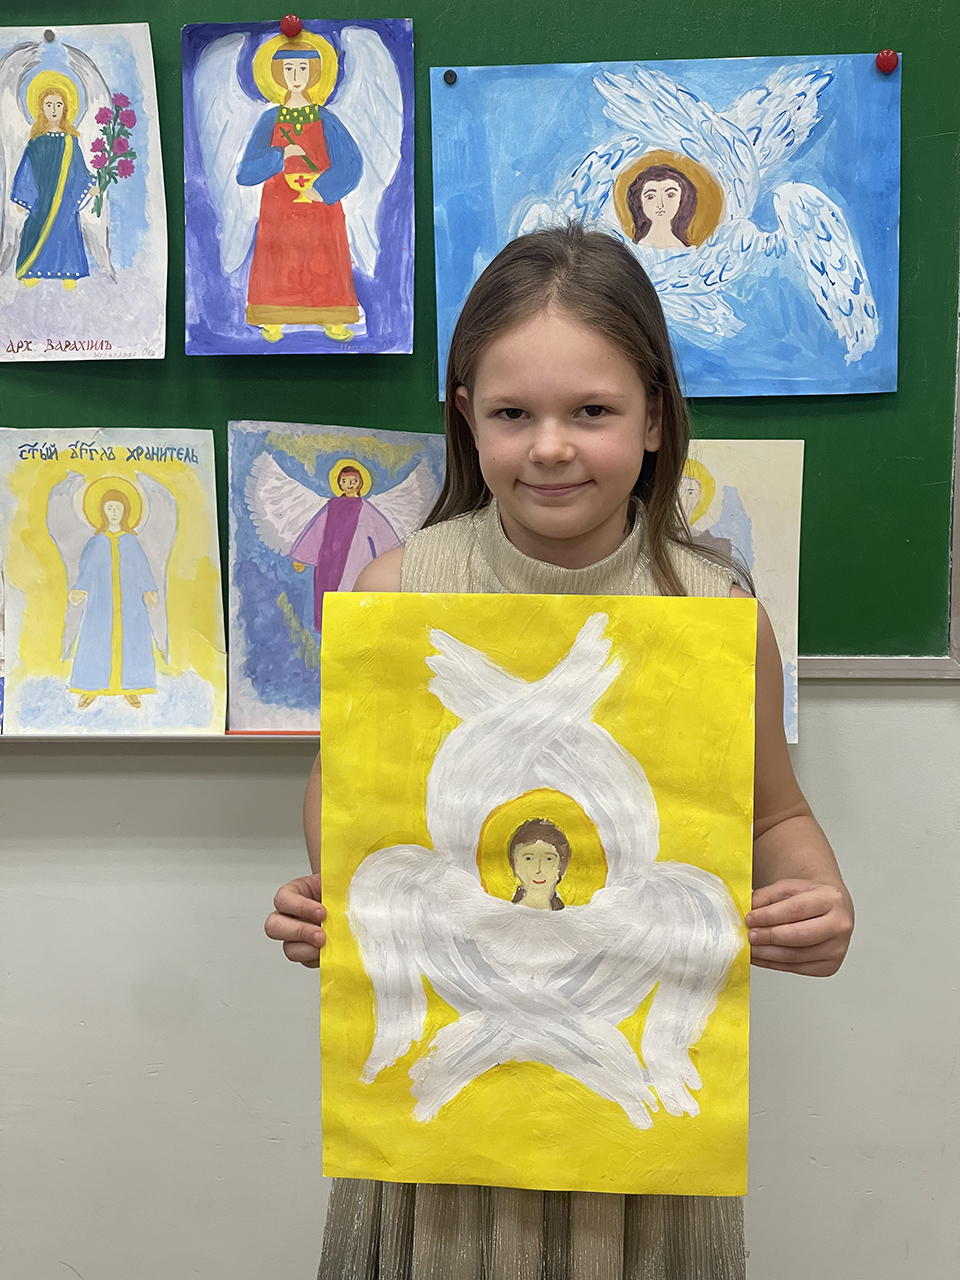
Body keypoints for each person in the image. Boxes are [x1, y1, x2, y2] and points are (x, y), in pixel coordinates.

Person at [265, 224, 854, 1279]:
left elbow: (774, 812)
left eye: (591, 411)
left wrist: (817, 898)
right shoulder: (400, 593)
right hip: (445, 1128)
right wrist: (340, 904)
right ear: (465, 414)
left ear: (655, 416)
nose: (549, 446)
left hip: (627, 1123)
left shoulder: (714, 608)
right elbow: (348, 797)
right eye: (512, 413)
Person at [237, 37, 362, 345]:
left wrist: (321, 190)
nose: (296, 76)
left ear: (314, 72)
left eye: (302, 68)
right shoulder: (270, 119)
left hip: (320, 207)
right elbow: (246, 172)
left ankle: (332, 317)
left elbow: (351, 163)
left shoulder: (325, 119)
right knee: (279, 262)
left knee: (325, 262)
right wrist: (281, 155)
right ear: (277, 74)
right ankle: (273, 316)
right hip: (279, 208)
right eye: (289, 68)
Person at [68, 490, 158, 710]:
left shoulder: (132, 542)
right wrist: (81, 588)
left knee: (133, 641)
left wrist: (149, 588)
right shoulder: (96, 542)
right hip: (101, 602)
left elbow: (142, 567)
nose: (114, 512)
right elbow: (88, 568)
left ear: (125, 511)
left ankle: (131, 688)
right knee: (96, 641)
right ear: (103, 511)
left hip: (130, 603)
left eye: (118, 508)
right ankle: (91, 688)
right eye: (110, 508)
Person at [288, 463, 402, 630]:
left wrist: (395, 559)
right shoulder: (331, 506)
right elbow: (316, 530)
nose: (349, 484)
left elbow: (383, 533)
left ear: (360, 483)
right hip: (329, 561)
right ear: (339, 483)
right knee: (330, 597)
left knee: (353, 594)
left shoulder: (366, 509)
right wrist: (301, 557)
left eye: (353, 481)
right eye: (345, 481)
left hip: (356, 558)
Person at [13, 81, 95, 288]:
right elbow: (26, 170)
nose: (54, 109)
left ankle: (69, 272)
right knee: (37, 227)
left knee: (66, 230)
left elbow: (79, 169)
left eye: (58, 105)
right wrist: (24, 196)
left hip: (65, 199)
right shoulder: (36, 142)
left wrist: (90, 185)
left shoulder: (70, 141)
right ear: (41, 108)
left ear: (65, 108)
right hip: (41, 199)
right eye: (49, 105)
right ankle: (31, 270)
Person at [626, 162, 698, 251]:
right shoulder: (634, 250)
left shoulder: (686, 251)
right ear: (639, 202)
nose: (660, 204)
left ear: (682, 199)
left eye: (670, 195)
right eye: (650, 197)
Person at [509, 818, 570, 910]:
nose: (538, 869)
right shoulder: (505, 911)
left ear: (561, 866)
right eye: (528, 858)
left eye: (548, 859)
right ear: (514, 864)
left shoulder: (570, 915)